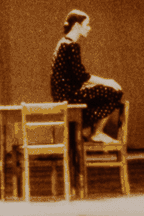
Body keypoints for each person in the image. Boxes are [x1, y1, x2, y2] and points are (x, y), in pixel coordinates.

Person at [50, 9, 124, 142]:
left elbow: (76, 77)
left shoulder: (63, 43)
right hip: (69, 96)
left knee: (102, 92)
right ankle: (96, 132)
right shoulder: (70, 46)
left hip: (63, 94)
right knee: (114, 92)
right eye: (87, 25)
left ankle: (83, 128)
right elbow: (81, 76)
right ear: (78, 26)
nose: (89, 28)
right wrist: (107, 81)